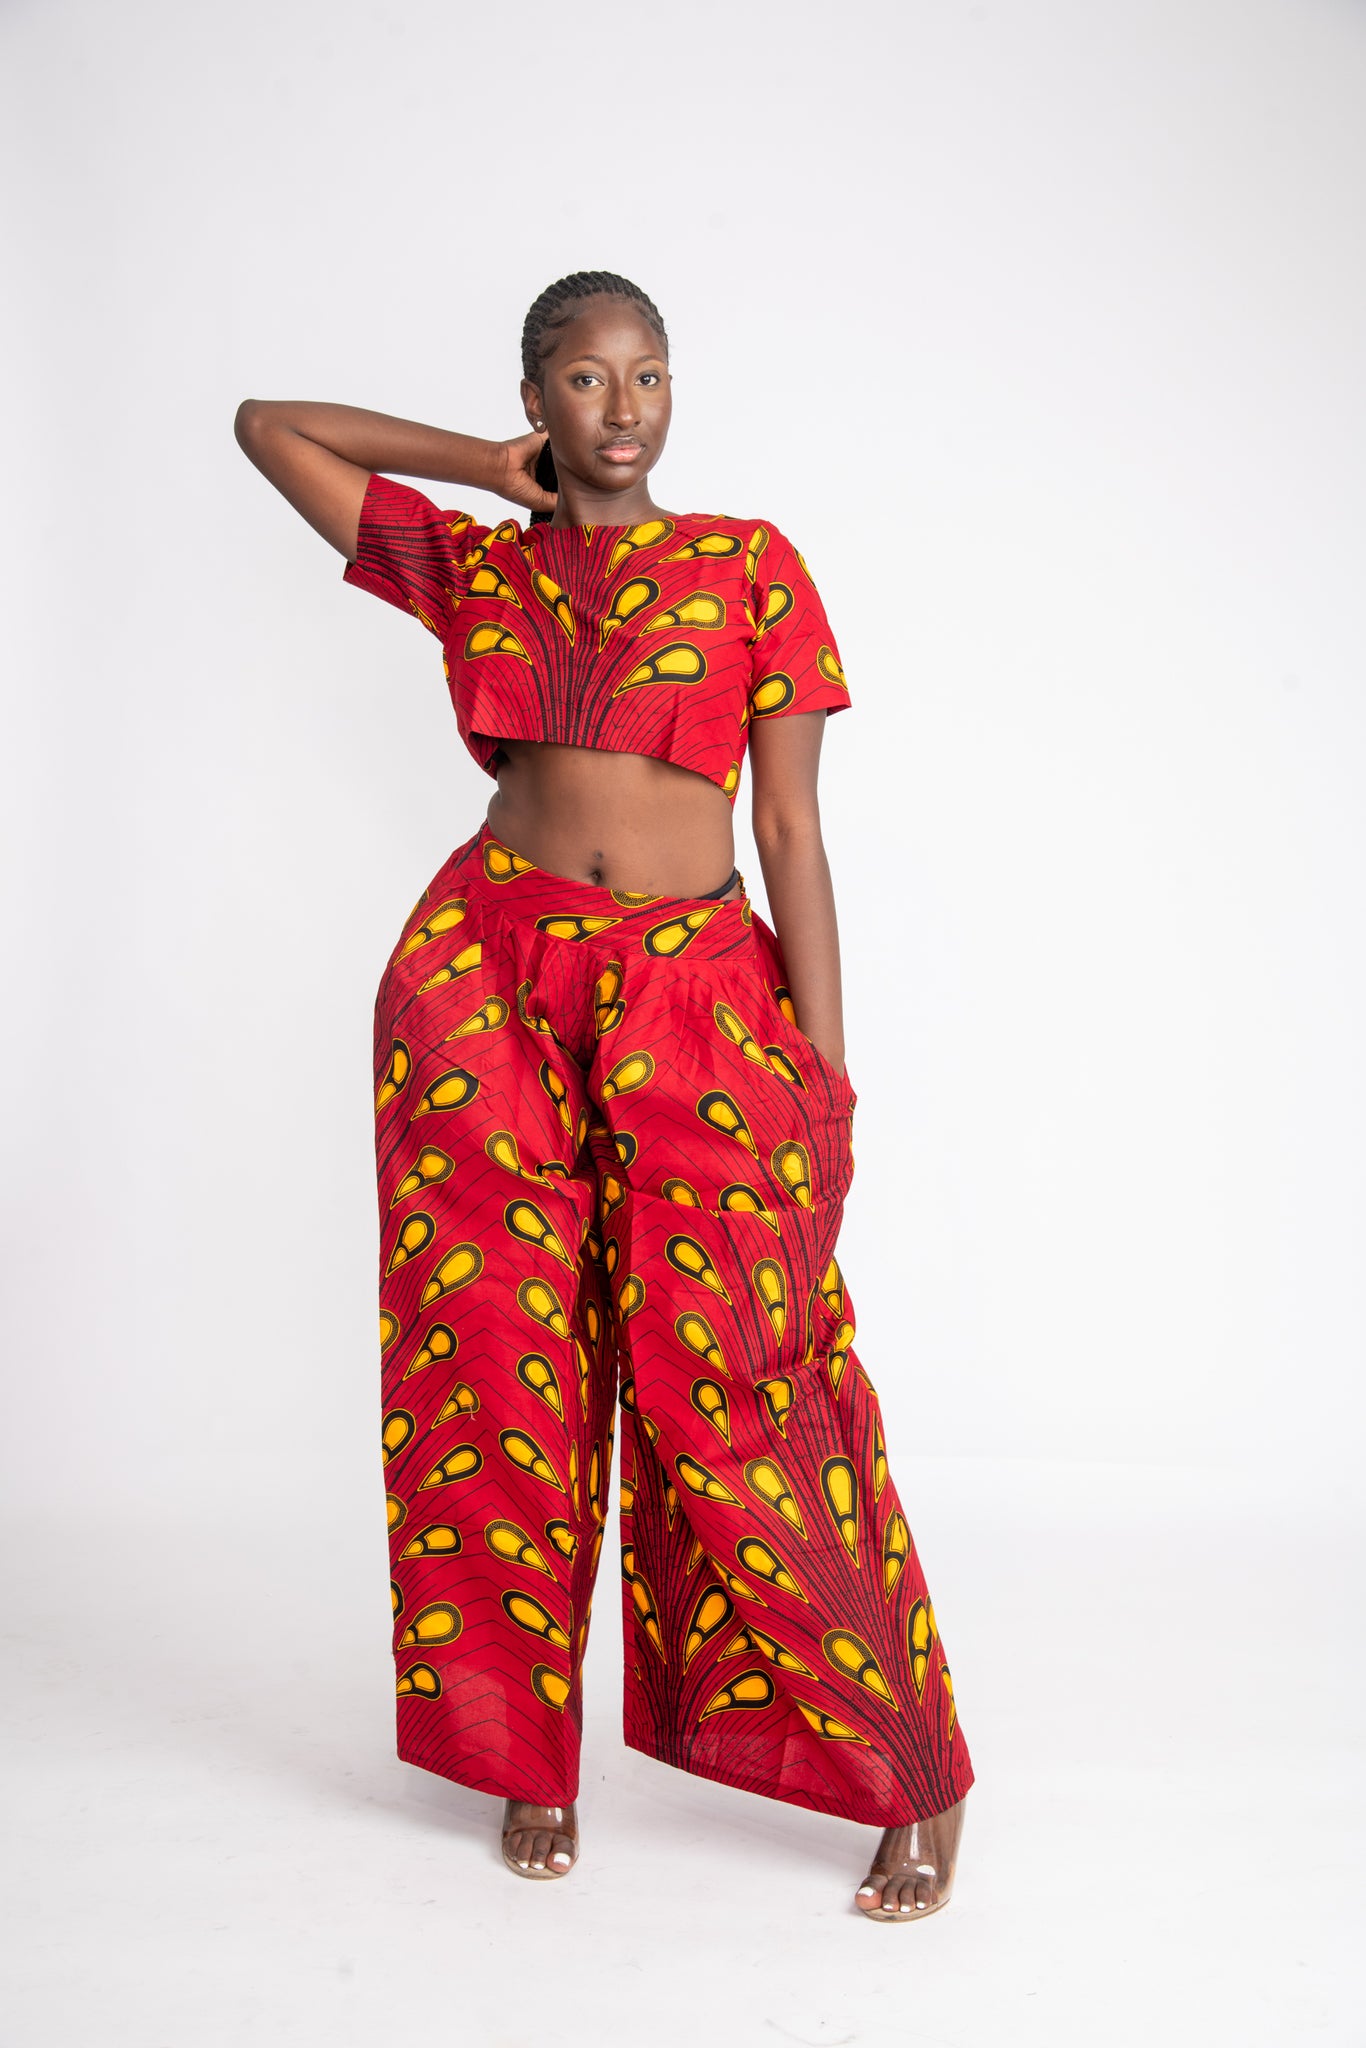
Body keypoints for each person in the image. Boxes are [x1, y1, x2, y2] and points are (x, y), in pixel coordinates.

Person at [234, 269, 973, 1920]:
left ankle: (909, 1768)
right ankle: (528, 1761)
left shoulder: (748, 566)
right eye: (584, 379)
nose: (623, 406)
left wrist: (823, 1070)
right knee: (497, 1369)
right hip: (487, 983)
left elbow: (788, 831)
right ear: (537, 401)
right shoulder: (479, 566)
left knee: (746, 1381)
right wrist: (478, 468)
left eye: (647, 374)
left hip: (696, 996)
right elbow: (268, 427)